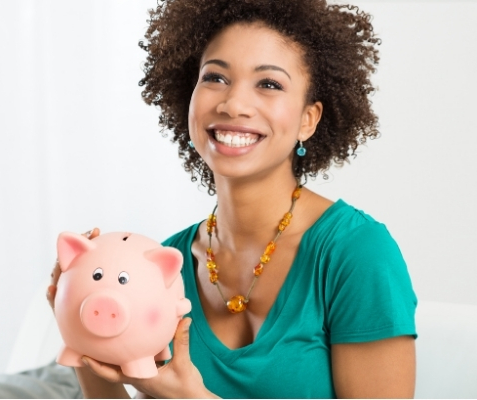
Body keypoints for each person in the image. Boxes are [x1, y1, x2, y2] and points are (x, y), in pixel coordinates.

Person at [46, 0, 418, 398]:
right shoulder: (163, 266)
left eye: (269, 84)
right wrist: (84, 337)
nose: (233, 104)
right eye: (215, 78)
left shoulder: (356, 254)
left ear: (308, 119)